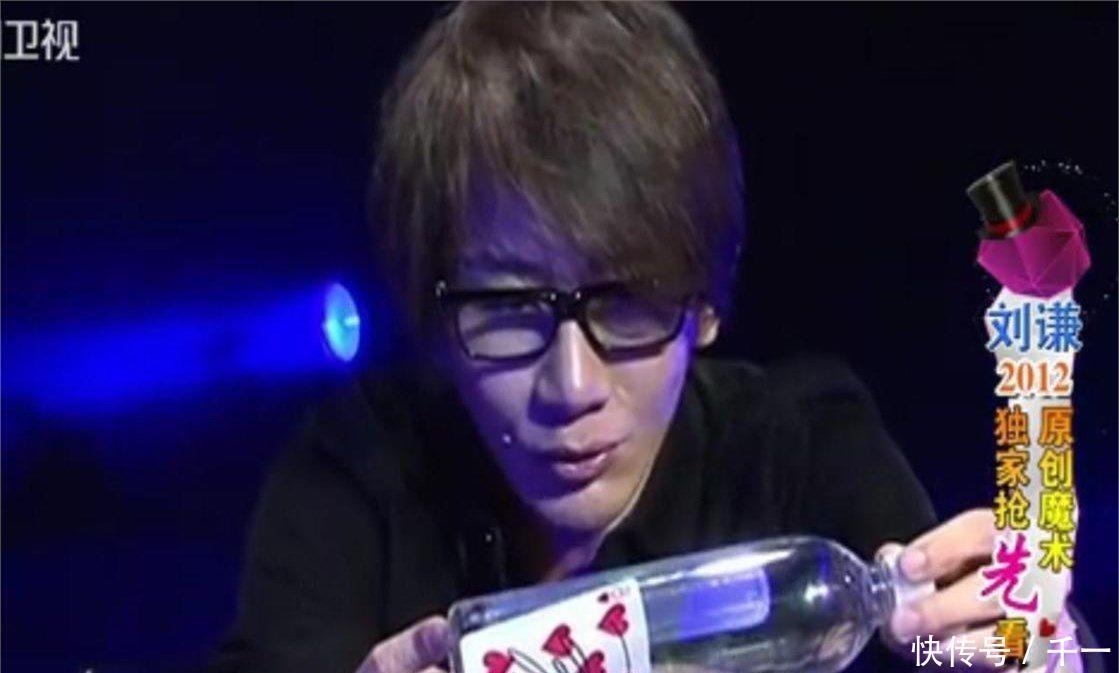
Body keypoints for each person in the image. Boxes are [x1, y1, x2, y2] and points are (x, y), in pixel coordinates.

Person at [209, 3, 1085, 672]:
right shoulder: (354, 473)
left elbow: (987, 632)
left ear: (705, 304)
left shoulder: (799, 447)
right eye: (508, 308)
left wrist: (1040, 648)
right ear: (436, 321)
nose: (572, 386)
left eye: (627, 304)